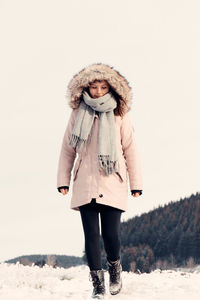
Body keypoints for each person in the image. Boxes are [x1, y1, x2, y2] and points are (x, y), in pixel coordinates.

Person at [57, 63, 143, 298]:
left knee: (111, 235)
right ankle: (98, 284)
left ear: (111, 88)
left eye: (103, 86)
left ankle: (115, 268)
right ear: (86, 87)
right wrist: (63, 180)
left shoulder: (119, 114)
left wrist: (136, 184)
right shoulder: (77, 113)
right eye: (93, 87)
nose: (97, 91)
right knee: (91, 236)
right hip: (85, 181)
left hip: (112, 181)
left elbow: (130, 149)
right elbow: (68, 149)